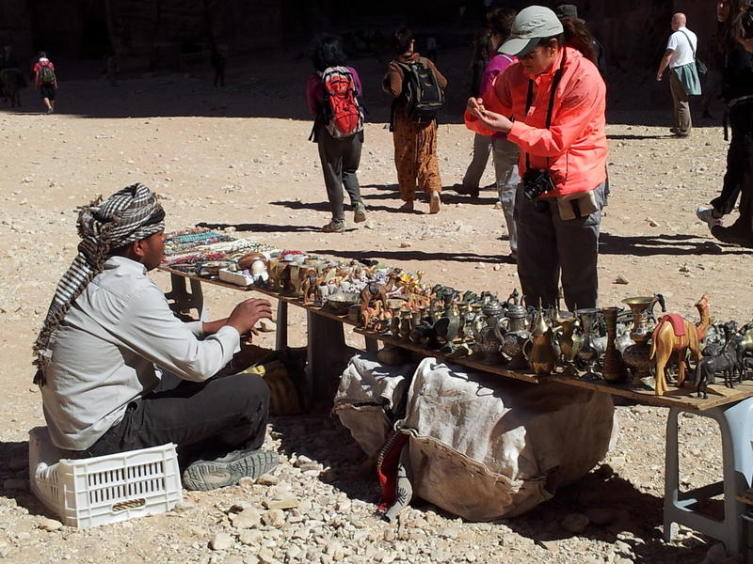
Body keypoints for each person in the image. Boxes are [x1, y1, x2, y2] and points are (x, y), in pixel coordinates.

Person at [33, 183, 278, 491]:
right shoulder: (131, 290)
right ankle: (221, 459)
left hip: (75, 426)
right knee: (251, 390)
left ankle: (197, 448)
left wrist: (208, 328)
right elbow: (198, 365)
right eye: (159, 236)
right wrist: (235, 327)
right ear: (138, 246)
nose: (164, 242)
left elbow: (147, 336)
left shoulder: (99, 275)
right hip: (104, 436)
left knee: (215, 363)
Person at [465, 5, 608, 310]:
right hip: (534, 186)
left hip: (575, 189)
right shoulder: (516, 75)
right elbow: (487, 117)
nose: (521, 62)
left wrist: (511, 128)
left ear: (553, 47)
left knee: (578, 284)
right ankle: (542, 347)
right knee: (534, 280)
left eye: (528, 55)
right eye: (518, 55)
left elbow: (557, 142)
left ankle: (582, 350)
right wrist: (475, 113)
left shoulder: (584, 78)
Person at [696, 0, 753, 247]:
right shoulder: (737, 25)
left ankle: (745, 229)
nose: (720, 5)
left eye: (725, 2)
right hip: (741, 106)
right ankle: (723, 211)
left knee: (748, 166)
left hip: (749, 105)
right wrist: (722, 22)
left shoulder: (747, 20)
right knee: (739, 162)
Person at [306, 34, 367, 233]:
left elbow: (313, 108)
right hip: (355, 128)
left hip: (330, 130)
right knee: (350, 169)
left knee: (333, 173)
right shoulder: (352, 73)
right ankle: (358, 204)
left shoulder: (316, 79)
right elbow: (359, 94)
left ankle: (338, 220)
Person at [383, 27, 448, 214]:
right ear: (412, 43)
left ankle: (409, 200)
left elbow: (395, 91)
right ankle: (434, 191)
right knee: (428, 155)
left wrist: (386, 84)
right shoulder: (425, 62)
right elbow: (443, 83)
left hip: (406, 119)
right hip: (428, 119)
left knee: (405, 158)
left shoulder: (395, 66)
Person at [475, 7, 521, 260]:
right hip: (532, 132)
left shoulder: (498, 64)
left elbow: (488, 101)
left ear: (495, 34)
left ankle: (519, 248)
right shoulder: (528, 58)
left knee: (510, 191)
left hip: (506, 134)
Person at [455, 28, 494, 198]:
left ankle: (471, 184)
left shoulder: (483, 65)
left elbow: (477, 88)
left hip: (484, 112)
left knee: (481, 150)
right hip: (501, 112)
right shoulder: (501, 62)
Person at [656, 13, 701, 138]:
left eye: (672, 21)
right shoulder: (692, 35)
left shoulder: (675, 36)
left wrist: (660, 71)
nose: (671, 23)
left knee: (680, 100)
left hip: (678, 69)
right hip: (689, 68)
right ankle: (677, 126)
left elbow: (668, 55)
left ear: (676, 22)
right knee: (679, 99)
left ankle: (684, 129)